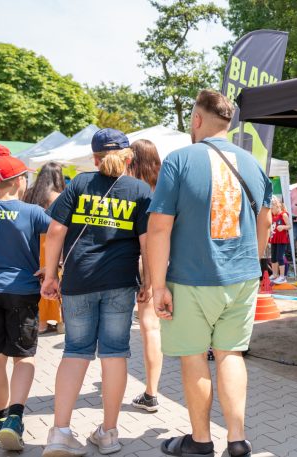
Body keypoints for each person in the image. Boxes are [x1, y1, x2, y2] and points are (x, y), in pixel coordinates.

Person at [147, 90, 272, 457]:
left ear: (197, 120)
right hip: (243, 276)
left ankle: (201, 442)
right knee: (231, 354)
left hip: (191, 278)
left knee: (193, 357)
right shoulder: (253, 163)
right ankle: (237, 439)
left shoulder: (180, 159)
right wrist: (257, 259)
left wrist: (157, 286)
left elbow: (158, 228)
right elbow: (264, 220)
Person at [41, 129, 152, 456]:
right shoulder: (140, 190)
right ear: (129, 156)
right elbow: (147, 243)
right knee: (115, 353)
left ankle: (60, 432)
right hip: (120, 282)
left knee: (75, 351)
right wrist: (150, 283)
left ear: (94, 158)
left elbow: (55, 230)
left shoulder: (78, 184)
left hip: (78, 280)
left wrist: (50, 275)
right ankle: (109, 433)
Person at [0, 150, 50, 451]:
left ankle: (0, 417)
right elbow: (60, 232)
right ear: (18, 181)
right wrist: (53, 267)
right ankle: (15, 419)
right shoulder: (31, 212)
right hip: (22, 290)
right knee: (24, 356)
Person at [126, 139, 164, 414]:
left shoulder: (134, 190)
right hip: (170, 259)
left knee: (149, 327)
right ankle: (151, 390)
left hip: (142, 261)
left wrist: (149, 281)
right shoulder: (165, 186)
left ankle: (151, 393)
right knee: (155, 328)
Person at [22, 161, 66, 333]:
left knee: (39, 279)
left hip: (34, 243)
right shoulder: (60, 195)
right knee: (54, 277)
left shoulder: (30, 194)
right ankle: (60, 322)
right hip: (53, 242)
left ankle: (40, 322)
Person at [269, 196, 291, 284]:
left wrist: (283, 227)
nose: (271, 210)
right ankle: (275, 274)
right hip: (274, 238)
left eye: (272, 208)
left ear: (277, 206)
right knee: (273, 257)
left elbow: (290, 226)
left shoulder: (283, 214)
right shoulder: (272, 215)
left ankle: (283, 276)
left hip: (281, 239)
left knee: (279, 257)